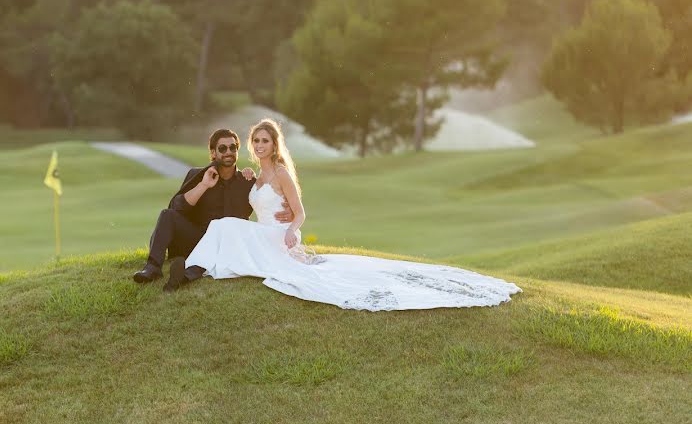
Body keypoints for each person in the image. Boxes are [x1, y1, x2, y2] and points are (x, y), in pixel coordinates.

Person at [180, 118, 522, 311]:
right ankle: (199, 266)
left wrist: (290, 231)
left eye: (264, 141)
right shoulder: (252, 177)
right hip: (266, 233)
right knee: (226, 226)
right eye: (255, 142)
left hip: (280, 236)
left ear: (274, 144)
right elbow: (253, 205)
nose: (259, 146)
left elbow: (299, 214)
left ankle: (195, 268)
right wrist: (251, 184)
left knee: (226, 226)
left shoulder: (282, 173)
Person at [133, 128, 292, 287]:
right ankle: (153, 268)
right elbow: (177, 208)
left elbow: (267, 200)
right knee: (166, 214)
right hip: (196, 239)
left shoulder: (247, 182)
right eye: (222, 148)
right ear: (213, 153)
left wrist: (289, 211)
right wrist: (204, 185)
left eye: (232, 147)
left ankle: (185, 276)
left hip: (229, 246)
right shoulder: (198, 175)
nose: (228, 152)